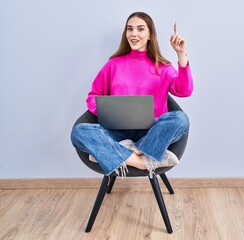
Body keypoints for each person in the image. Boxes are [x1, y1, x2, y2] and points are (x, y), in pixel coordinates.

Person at [71, 12, 193, 177]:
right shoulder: (113, 64)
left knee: (181, 119)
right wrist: (108, 111)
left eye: (140, 29)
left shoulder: (162, 67)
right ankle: (143, 162)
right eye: (130, 29)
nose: (134, 34)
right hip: (116, 133)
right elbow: (93, 96)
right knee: (79, 132)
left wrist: (181, 54)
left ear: (150, 35)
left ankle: (120, 152)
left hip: (152, 134)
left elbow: (185, 91)